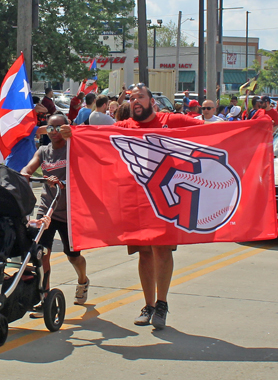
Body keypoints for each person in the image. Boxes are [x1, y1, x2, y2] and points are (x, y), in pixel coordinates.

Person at [60, 84, 206, 329]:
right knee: (144, 253)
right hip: (135, 201)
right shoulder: (124, 126)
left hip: (166, 199)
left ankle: (162, 304)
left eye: (140, 97)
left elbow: (215, 131)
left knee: (161, 251)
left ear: (152, 100)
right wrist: (71, 133)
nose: (135, 101)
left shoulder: (171, 120)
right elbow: (92, 135)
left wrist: (252, 127)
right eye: (131, 98)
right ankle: (148, 305)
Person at [21, 114, 90, 314]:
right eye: (50, 128)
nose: (54, 132)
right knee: (42, 253)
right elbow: (30, 166)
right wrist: (25, 174)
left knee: (73, 256)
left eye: (59, 128)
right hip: (47, 209)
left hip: (69, 211)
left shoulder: (73, 149)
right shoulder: (43, 151)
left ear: (67, 129)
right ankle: (45, 296)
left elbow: (85, 174)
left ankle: (83, 280)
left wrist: (64, 183)